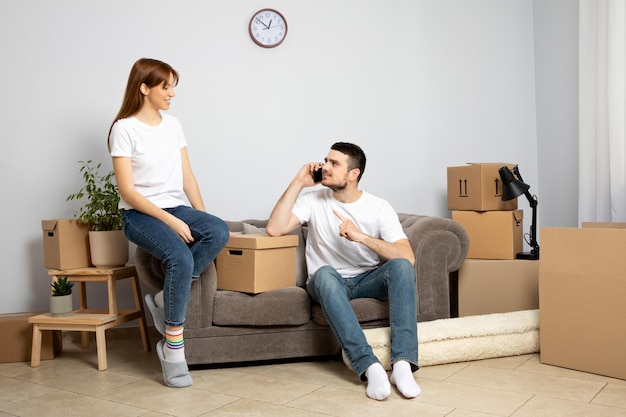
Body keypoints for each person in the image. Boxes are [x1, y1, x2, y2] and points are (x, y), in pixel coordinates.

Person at [266, 142, 422, 401]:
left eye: (334, 163)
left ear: (354, 174)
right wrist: (298, 182)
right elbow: (274, 229)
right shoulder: (313, 200)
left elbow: (407, 257)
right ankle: (369, 367)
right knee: (325, 274)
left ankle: (403, 365)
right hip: (328, 282)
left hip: (366, 279)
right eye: (325, 160)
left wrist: (361, 237)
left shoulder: (378, 206)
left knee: (401, 267)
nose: (325, 167)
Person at [108, 58, 230, 388]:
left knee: (219, 230)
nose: (172, 93)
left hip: (175, 206)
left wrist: (205, 218)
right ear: (144, 88)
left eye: (173, 86)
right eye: (166, 86)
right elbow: (128, 192)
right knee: (179, 256)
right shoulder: (124, 128)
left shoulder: (173, 125)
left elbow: (187, 177)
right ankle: (173, 345)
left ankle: (164, 300)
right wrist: (171, 222)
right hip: (139, 214)